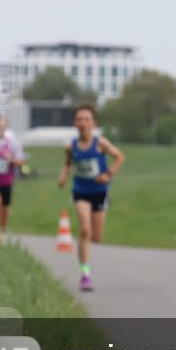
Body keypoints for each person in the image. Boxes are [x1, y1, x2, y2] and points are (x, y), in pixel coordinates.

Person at [57, 105, 125, 292]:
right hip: (80, 191)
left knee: (96, 237)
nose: (83, 123)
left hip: (100, 192)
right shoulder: (71, 146)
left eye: (87, 119)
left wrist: (108, 174)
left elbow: (120, 157)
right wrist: (63, 176)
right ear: (74, 123)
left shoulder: (100, 143)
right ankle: (85, 275)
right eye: (79, 119)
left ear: (93, 123)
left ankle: (87, 260)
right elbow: (68, 163)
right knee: (85, 230)